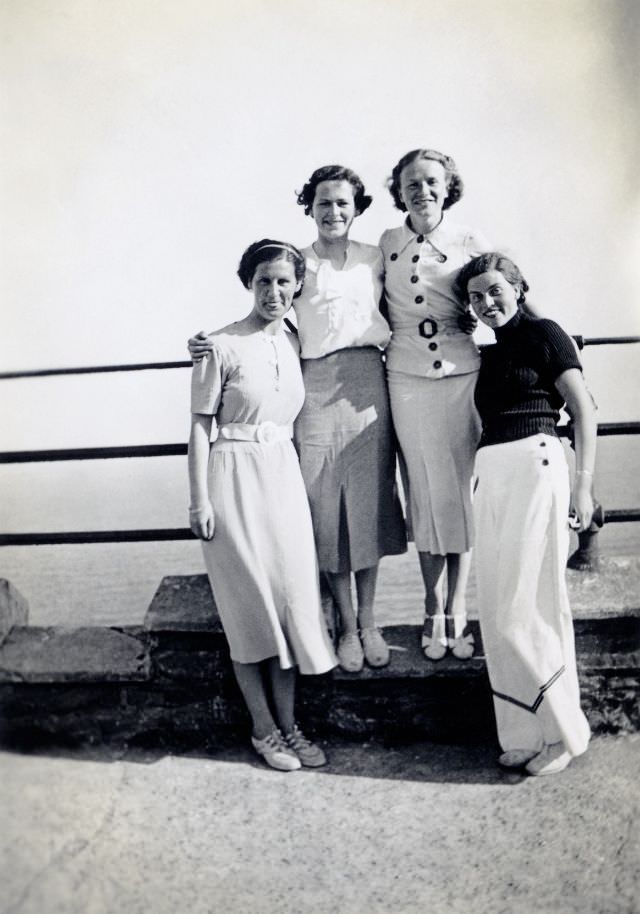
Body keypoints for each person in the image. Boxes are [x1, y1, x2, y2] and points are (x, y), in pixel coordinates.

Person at [190, 165, 406, 674]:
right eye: (324, 203)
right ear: (309, 207)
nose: (334, 212)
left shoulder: (376, 257)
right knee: (325, 507)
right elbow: (267, 309)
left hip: (367, 382)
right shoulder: (298, 262)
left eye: (344, 204)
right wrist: (203, 344)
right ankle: (346, 627)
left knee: (370, 501)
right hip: (313, 386)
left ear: (357, 209)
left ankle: (370, 620)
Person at [188, 239, 336, 771]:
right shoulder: (218, 345)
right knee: (249, 610)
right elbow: (201, 427)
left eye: (283, 281)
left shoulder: (296, 340)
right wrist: (199, 499)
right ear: (249, 284)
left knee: (291, 602)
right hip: (232, 476)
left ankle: (291, 726)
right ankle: (264, 729)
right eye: (263, 281)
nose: (274, 291)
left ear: (298, 286)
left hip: (283, 477)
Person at [455, 252, 595, 776]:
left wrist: (584, 488)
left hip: (538, 464)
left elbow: (584, 410)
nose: (487, 302)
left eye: (496, 290)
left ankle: (562, 733)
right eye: (475, 296)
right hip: (491, 473)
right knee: (494, 608)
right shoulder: (488, 355)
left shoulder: (547, 334)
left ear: (518, 288)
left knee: (528, 605)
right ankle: (522, 730)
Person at [380, 148, 492, 661]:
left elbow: (504, 292)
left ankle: (459, 607)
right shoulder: (386, 243)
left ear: (448, 187)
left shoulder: (469, 241)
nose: (421, 191)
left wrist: (553, 340)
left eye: (430, 182)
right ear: (398, 191)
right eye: (411, 184)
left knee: (459, 496)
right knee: (423, 491)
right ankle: (431, 607)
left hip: (460, 375)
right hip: (405, 377)